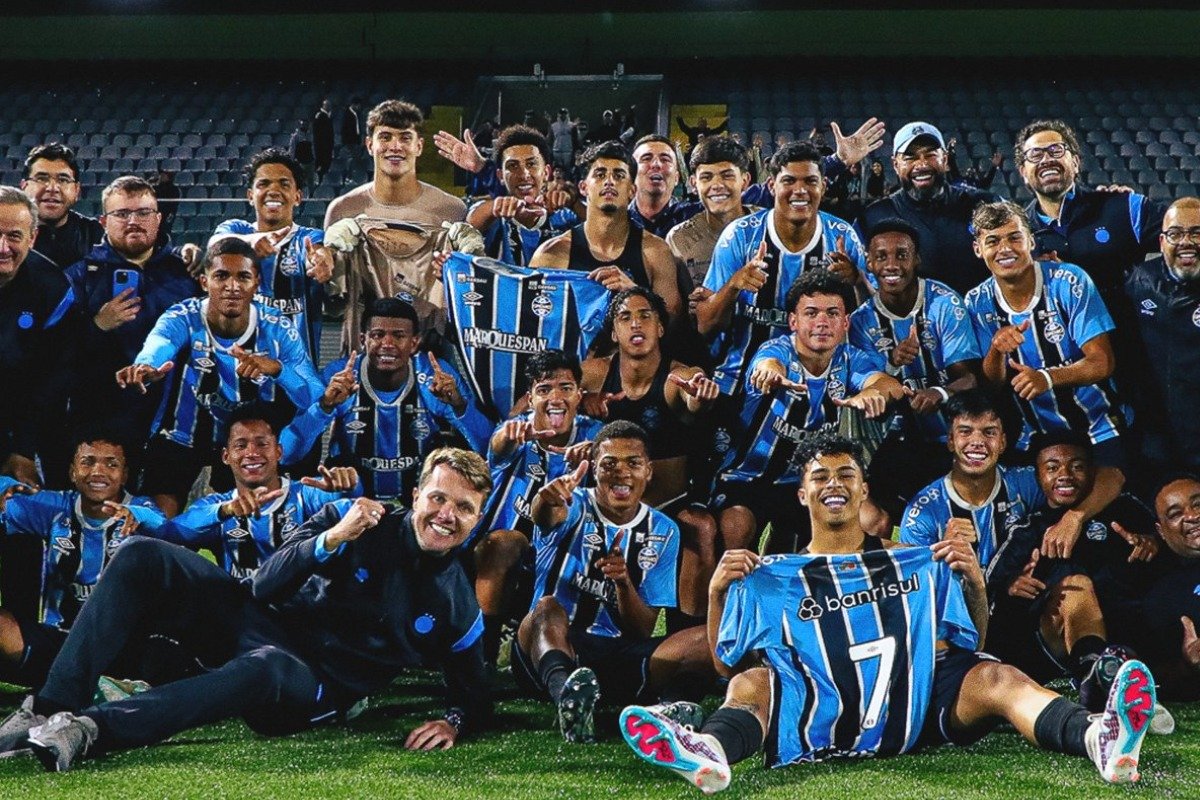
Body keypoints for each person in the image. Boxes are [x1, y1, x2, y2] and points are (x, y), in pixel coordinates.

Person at [618, 432, 1159, 791]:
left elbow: (968, 641)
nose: (835, 484)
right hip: (817, 710)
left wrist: (971, 581)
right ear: (802, 495)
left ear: (863, 489)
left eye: (846, 474)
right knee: (753, 684)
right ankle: (708, 751)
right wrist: (715, 595)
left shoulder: (909, 561)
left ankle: (1098, 735)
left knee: (996, 674)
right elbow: (723, 665)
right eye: (821, 476)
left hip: (913, 707)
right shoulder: (769, 574)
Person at [0, 448, 495, 770]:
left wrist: (453, 720)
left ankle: (89, 730)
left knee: (268, 668)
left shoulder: (456, 605)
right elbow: (263, 587)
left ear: (476, 519)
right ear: (416, 494)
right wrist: (332, 539)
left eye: (464, 509)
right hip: (258, 623)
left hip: (312, 684)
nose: (446, 516)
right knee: (141, 554)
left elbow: (475, 692)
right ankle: (48, 706)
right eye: (437, 498)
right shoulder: (350, 519)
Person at [514, 421, 712, 743]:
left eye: (633, 463)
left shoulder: (664, 530)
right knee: (547, 606)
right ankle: (567, 696)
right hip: (555, 650)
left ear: (649, 471)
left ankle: (666, 711)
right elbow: (546, 514)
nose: (621, 473)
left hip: (618, 656)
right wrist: (545, 499)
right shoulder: (573, 503)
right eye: (609, 464)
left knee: (707, 638)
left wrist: (623, 583)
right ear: (594, 469)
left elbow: (642, 630)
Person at [965, 200, 1128, 555]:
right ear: (978, 249)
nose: (1004, 249)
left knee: (1115, 492)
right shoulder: (976, 302)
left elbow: (1102, 362)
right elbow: (992, 385)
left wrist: (1047, 378)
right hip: (1034, 433)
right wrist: (996, 350)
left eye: (1014, 238)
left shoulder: (1069, 281)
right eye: (992, 241)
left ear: (1031, 241)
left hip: (1096, 422)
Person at [117, 237, 323, 516]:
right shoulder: (182, 316)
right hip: (183, 438)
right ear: (204, 282)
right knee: (160, 524)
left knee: (254, 522)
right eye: (221, 276)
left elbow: (312, 394)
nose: (233, 286)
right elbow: (159, 345)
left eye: (243, 277)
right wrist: (147, 366)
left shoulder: (278, 328)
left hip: (247, 445)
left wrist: (277, 369)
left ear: (257, 283)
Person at [713, 270, 901, 554]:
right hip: (748, 478)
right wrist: (770, 374)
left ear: (845, 322)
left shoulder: (849, 359)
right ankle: (727, 596)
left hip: (806, 481)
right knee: (736, 526)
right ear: (793, 321)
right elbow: (767, 364)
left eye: (832, 313)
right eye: (811, 313)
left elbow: (888, 384)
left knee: (874, 522)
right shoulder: (776, 350)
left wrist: (873, 393)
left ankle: (843, 592)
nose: (822, 322)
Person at [985, 432, 1162, 711]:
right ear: (1038, 476)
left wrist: (1151, 544)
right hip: (1050, 644)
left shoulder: (1124, 512)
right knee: (1076, 586)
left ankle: (1114, 678)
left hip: (1126, 633)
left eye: (1077, 466)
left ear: (1092, 472)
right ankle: (1097, 678)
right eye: (1052, 467)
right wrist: (1011, 584)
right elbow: (989, 590)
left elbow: (1166, 541)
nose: (1065, 475)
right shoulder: (1027, 530)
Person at [580, 288, 719, 622]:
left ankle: (689, 632)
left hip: (666, 505)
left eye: (645, 316)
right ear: (614, 332)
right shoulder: (594, 372)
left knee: (701, 528)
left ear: (660, 328)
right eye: (625, 317)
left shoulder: (676, 376)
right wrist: (582, 402)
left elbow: (692, 391)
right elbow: (544, 396)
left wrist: (701, 395)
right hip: (605, 505)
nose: (636, 324)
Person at [698, 141, 869, 398]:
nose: (799, 190)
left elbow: (868, 321)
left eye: (810, 182)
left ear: (823, 186)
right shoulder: (740, 236)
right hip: (741, 377)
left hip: (822, 382)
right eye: (789, 181)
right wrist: (733, 285)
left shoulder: (842, 237)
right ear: (771, 186)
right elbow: (705, 324)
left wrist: (857, 282)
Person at [0, 432, 166, 689]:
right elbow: (8, 501)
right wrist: (3, 487)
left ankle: (107, 684)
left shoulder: (141, 511)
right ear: (72, 471)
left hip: (123, 649)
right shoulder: (57, 507)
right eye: (87, 462)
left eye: (111, 464)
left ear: (124, 475)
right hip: (60, 643)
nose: (98, 471)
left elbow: (169, 527)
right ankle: (87, 684)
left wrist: (143, 517)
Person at [282, 298, 491, 501]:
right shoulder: (341, 376)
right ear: (363, 340)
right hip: (352, 501)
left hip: (419, 504)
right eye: (378, 335)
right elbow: (289, 453)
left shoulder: (434, 376)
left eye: (399, 336)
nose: (388, 344)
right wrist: (324, 407)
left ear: (414, 343)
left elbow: (488, 449)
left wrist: (459, 407)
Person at [471, 351, 603, 665]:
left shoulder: (596, 436)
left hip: (564, 568)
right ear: (530, 399)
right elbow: (499, 445)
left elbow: (624, 454)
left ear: (579, 395)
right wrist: (508, 435)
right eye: (544, 390)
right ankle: (483, 653)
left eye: (565, 388)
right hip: (496, 563)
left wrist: (600, 456)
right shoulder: (516, 432)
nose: (555, 398)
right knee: (506, 542)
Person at [849, 218, 981, 527]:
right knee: (876, 520)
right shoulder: (860, 322)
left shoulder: (945, 303)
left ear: (917, 259)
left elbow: (971, 379)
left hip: (949, 437)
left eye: (901, 255)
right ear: (869, 262)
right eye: (881, 256)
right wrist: (893, 364)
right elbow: (865, 389)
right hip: (894, 442)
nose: (891, 264)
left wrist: (940, 392)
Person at [65, 176, 196, 454]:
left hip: (174, 421)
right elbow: (55, 351)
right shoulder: (79, 277)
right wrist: (97, 325)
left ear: (158, 218)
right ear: (103, 221)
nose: (133, 221)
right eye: (122, 213)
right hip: (99, 420)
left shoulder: (186, 272)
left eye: (143, 213)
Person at [324, 99, 470, 346]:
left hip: (432, 353)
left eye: (405, 138)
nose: (395, 146)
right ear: (370, 145)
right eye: (386, 137)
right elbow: (333, 305)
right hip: (364, 357)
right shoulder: (343, 210)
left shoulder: (452, 210)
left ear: (419, 146)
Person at [162, 407, 360, 579]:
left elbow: (348, 503)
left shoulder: (306, 493)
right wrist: (226, 510)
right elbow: (173, 532)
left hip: (301, 612)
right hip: (242, 615)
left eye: (262, 444)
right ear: (226, 456)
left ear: (279, 452)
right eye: (240, 445)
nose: (252, 453)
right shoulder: (218, 506)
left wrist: (349, 485)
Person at [530, 141, 683, 319]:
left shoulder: (656, 251)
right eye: (600, 174)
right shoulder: (551, 255)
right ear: (583, 187)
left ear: (632, 190)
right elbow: (533, 325)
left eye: (618, 176)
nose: (609, 181)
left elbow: (673, 324)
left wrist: (635, 295)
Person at [210, 147, 336, 362]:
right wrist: (250, 243)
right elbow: (217, 244)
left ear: (297, 197)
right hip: (239, 375)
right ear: (250, 196)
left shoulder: (309, 238)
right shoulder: (236, 229)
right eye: (264, 183)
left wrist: (323, 261)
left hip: (296, 379)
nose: (274, 190)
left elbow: (320, 252)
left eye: (284, 184)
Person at [900, 388, 1044, 566]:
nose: (977, 442)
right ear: (951, 441)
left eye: (989, 432)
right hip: (956, 594)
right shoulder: (923, 513)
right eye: (965, 432)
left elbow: (1082, 488)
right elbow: (917, 583)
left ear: (1003, 442)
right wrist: (942, 554)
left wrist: (1072, 518)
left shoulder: (1027, 483)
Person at [858, 122, 1001, 296]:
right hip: (906, 321)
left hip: (979, 320)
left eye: (930, 154)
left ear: (945, 159)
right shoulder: (874, 217)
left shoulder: (984, 204)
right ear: (896, 165)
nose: (922, 164)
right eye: (910, 157)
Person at [0, 186, 76, 490]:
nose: (2, 247)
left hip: (22, 413)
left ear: (32, 238)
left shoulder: (54, 290)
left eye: (14, 236)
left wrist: (22, 449)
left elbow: (51, 381)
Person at [1122, 198, 1200, 489]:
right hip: (1159, 443)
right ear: (1161, 241)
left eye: (1196, 232)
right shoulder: (1141, 281)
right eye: (1176, 234)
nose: (1186, 242)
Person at [463, 125, 575, 265]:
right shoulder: (494, 217)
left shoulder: (566, 218)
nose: (524, 174)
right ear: (500, 176)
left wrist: (574, 201)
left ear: (546, 172)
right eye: (513, 166)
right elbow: (471, 223)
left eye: (531, 164)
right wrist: (496, 207)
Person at [666, 136, 756, 291]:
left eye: (727, 176)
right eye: (706, 177)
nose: (717, 185)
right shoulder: (679, 239)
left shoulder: (769, 225)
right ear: (694, 184)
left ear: (745, 180)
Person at [20, 144, 103, 270]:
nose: (52, 188)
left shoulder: (95, 234)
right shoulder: (6, 233)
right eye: (41, 178)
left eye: (63, 180)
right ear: (24, 186)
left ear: (76, 190)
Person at [152, 169, 181, 238]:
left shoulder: (174, 189)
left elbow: (174, 204)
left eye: (163, 175)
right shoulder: (156, 188)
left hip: (166, 214)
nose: (161, 177)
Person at [313, 99, 335, 184]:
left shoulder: (327, 116)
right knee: (322, 166)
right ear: (323, 106)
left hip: (326, 147)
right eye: (327, 105)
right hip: (322, 148)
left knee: (326, 166)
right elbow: (320, 135)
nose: (329, 107)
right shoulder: (320, 116)